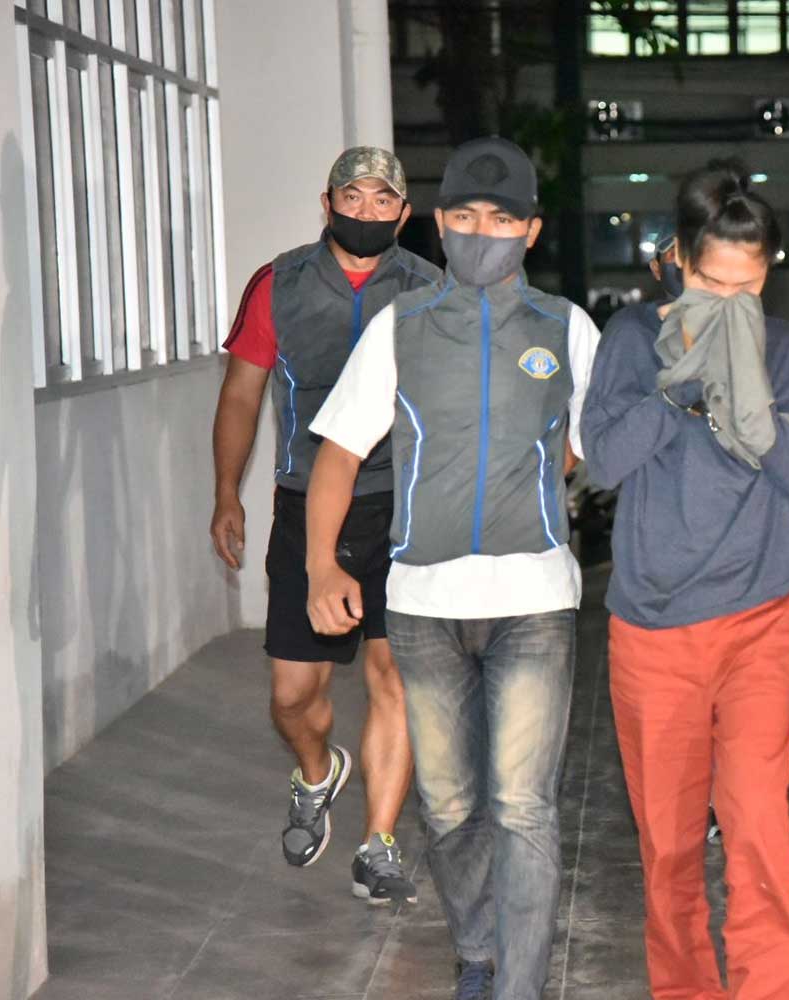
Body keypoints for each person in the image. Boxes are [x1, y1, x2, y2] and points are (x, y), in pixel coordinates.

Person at [303, 136, 600, 1000]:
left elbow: (588, 446)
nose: (483, 233)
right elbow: (337, 455)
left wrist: (529, 484)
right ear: (439, 225)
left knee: (523, 805)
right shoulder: (402, 328)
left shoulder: (566, 328)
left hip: (534, 601)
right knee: (454, 806)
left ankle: (519, 988)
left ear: (532, 231)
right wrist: (322, 565)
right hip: (424, 606)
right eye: (466, 217)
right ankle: (475, 952)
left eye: (502, 220)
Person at [580, 159, 789, 1000]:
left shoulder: (786, 348)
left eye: (747, 288)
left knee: (759, 832)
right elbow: (603, 462)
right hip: (651, 626)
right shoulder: (627, 341)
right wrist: (674, 389)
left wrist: (746, 398)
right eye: (713, 283)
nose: (729, 304)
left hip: (760, 613)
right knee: (670, 845)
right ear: (680, 262)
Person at [210, 146, 438, 902]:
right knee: (290, 695)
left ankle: (378, 843)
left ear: (404, 213)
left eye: (383, 201)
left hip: (401, 507)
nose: (366, 212)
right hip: (309, 504)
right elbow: (242, 395)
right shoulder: (279, 285)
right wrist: (227, 490)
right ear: (327, 201)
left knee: (392, 677)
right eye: (353, 197)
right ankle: (317, 771)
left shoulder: (432, 291)